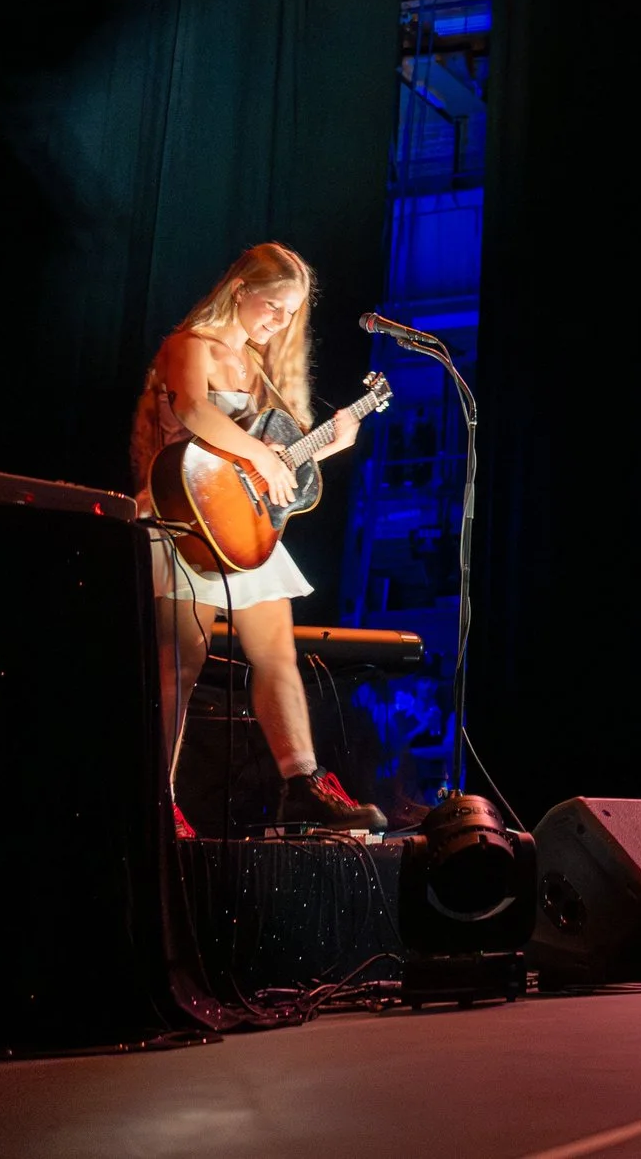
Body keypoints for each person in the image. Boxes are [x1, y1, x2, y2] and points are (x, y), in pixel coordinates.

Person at [135, 242, 385, 836]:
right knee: (182, 663)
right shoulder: (190, 345)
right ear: (241, 289)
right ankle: (154, 801)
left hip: (239, 521)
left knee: (277, 655)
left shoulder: (257, 367)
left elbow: (270, 466)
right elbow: (196, 411)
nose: (279, 321)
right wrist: (261, 455)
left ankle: (302, 785)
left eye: (290, 313)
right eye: (273, 305)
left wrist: (332, 443)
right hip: (185, 515)